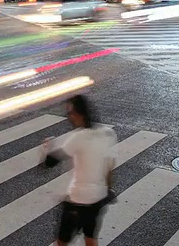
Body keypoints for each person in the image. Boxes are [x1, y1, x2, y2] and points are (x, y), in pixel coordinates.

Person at [42, 95, 117, 246]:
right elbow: (109, 166)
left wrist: (48, 147)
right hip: (98, 197)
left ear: (78, 114)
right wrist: (108, 190)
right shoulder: (107, 133)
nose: (69, 117)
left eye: (70, 113)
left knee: (62, 241)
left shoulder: (78, 137)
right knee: (90, 237)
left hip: (79, 199)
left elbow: (50, 162)